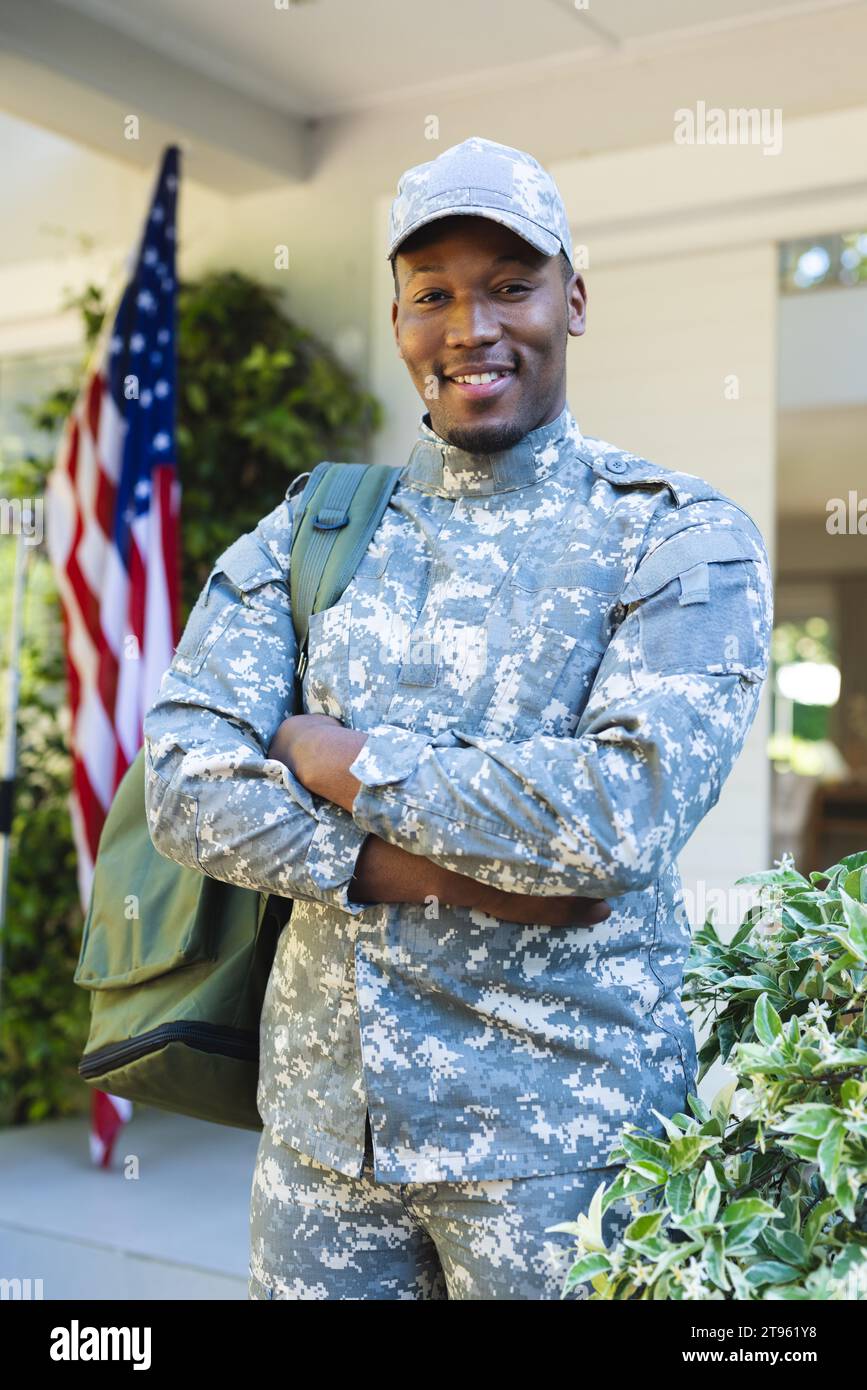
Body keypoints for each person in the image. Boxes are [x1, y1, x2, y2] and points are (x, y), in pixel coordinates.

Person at [142, 135, 773, 1300]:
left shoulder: (679, 536)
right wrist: (457, 876)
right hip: (328, 1144)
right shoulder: (318, 534)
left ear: (572, 300)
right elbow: (183, 782)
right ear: (397, 321)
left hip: (569, 1154)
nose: (470, 327)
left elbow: (616, 818)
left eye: (510, 286)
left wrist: (344, 757)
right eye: (433, 294)